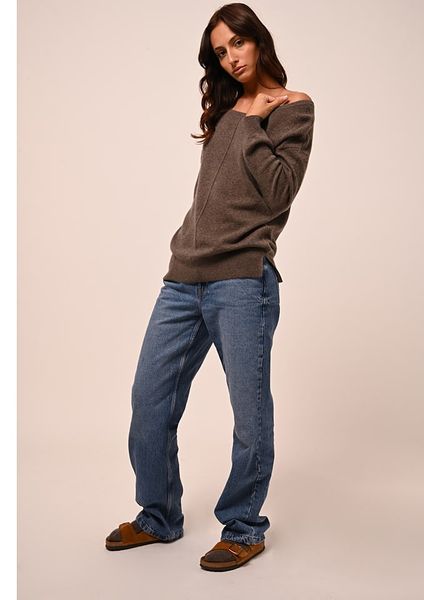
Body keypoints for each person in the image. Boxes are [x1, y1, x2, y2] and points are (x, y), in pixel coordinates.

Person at [105, 2, 315, 572]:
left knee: (249, 415)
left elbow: (279, 191)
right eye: (220, 52)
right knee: (149, 402)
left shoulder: (293, 107)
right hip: (183, 279)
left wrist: (251, 122)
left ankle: (244, 527)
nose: (231, 58)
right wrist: (240, 118)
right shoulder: (226, 112)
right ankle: (159, 516)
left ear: (258, 40)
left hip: (243, 280)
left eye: (237, 44)